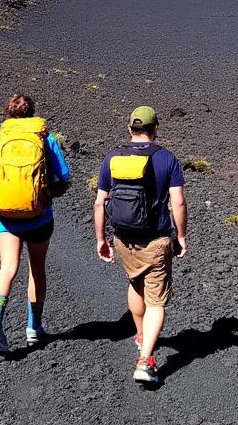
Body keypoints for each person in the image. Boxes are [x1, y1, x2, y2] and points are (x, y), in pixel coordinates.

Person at [94, 105, 187, 384]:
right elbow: (178, 202)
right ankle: (145, 362)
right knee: (156, 302)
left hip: (123, 238)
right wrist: (180, 236)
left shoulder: (112, 157)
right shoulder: (166, 159)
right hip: (156, 240)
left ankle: (141, 336)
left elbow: (100, 202)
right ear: (155, 128)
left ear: (130, 129)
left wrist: (101, 239)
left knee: (136, 283)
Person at [0, 94, 70, 353]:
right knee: (36, 270)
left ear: (8, 114)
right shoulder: (45, 139)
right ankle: (33, 328)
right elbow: (63, 175)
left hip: (5, 217)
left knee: (7, 267)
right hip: (39, 216)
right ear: (32, 114)